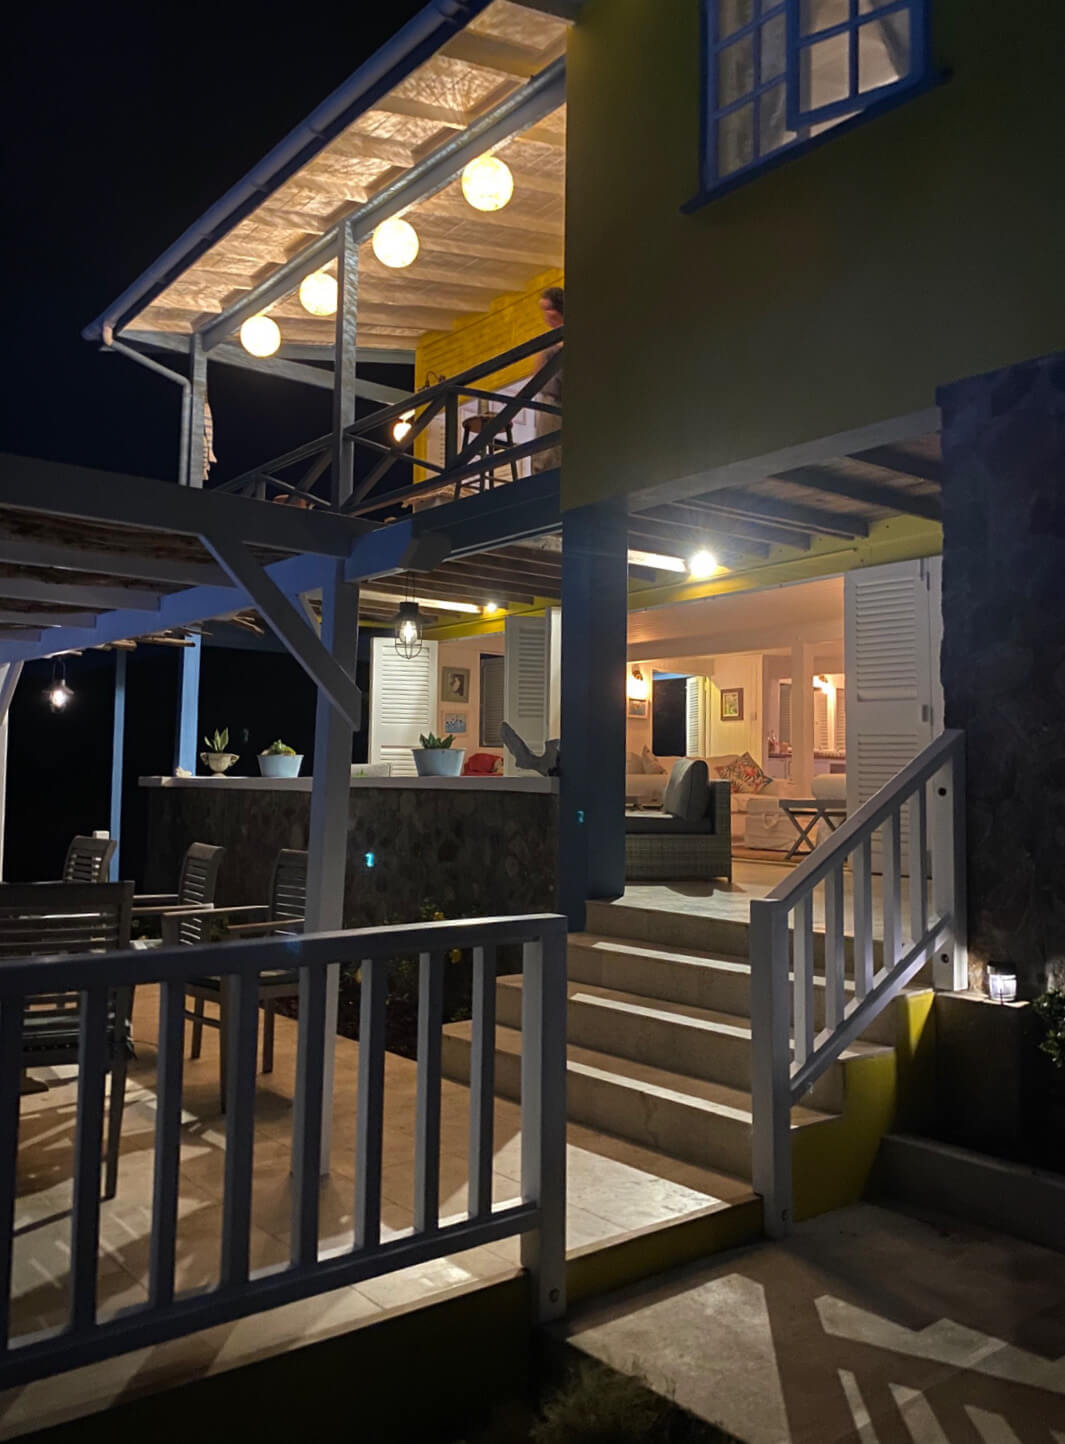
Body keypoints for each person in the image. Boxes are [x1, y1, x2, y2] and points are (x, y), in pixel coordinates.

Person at [530, 286, 563, 474]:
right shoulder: (551, 338)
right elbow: (536, 373)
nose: (545, 315)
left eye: (548, 309)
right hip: (549, 396)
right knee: (545, 448)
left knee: (551, 450)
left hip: (558, 396)